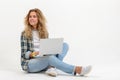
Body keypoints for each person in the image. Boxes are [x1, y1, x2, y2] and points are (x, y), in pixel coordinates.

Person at [20, 8, 92, 77]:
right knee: (50, 58)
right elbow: (24, 54)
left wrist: (49, 50)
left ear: (39, 19)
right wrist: (33, 54)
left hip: (45, 58)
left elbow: (46, 48)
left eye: (34, 16)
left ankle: (51, 67)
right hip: (31, 63)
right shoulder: (25, 34)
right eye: (30, 16)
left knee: (64, 45)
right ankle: (77, 70)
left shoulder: (44, 32)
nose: (31, 18)